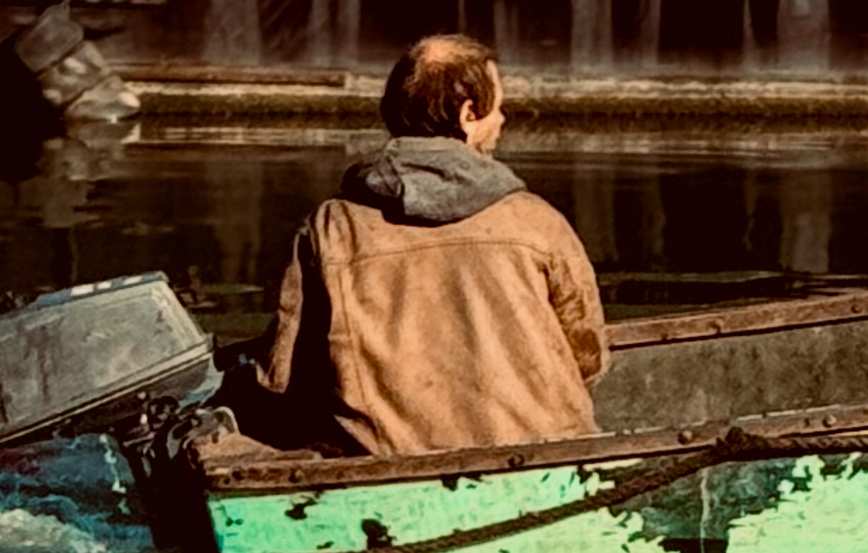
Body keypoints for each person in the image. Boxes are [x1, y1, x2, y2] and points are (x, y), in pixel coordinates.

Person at [241, 34, 610, 455]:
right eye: (499, 107)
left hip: (390, 465)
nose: (503, 119)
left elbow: (281, 374)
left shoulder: (331, 227)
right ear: (469, 113)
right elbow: (588, 356)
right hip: (544, 455)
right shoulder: (537, 221)